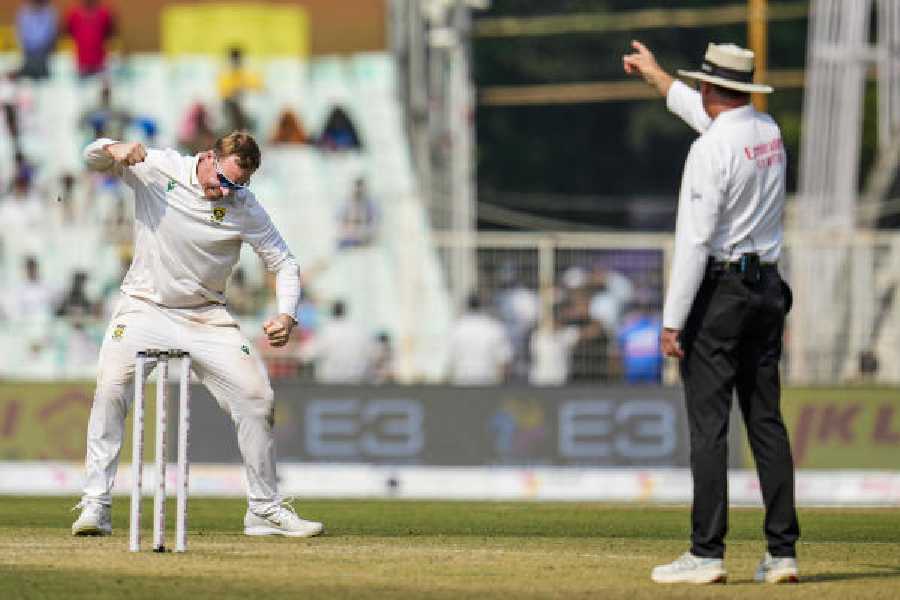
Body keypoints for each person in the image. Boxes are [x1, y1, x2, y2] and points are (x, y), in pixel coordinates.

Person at [70, 131, 324, 539]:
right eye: (221, 180)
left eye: (236, 186)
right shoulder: (160, 168)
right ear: (208, 157)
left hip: (206, 316)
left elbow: (285, 264)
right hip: (144, 306)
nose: (223, 191)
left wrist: (286, 315)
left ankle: (263, 508)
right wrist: (111, 148)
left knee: (258, 399)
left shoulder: (244, 206)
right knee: (112, 387)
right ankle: (96, 503)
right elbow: (91, 157)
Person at [624, 41, 799, 584]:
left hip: (722, 291)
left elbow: (695, 241)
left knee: (709, 426)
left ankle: (706, 553)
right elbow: (705, 113)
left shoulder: (708, 151)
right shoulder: (766, 133)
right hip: (768, 286)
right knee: (766, 422)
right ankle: (782, 553)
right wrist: (656, 77)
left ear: (707, 86)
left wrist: (672, 320)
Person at [447, 293, 512, 386]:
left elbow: (450, 357)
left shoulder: (456, 328)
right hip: (487, 380)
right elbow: (504, 359)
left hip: (461, 379)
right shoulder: (494, 327)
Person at [306, 300, 372, 384]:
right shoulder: (359, 329)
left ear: (332, 311)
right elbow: (372, 353)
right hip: (357, 381)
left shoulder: (326, 330)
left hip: (331, 382)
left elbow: (307, 354)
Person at [64, 0, 115, 78]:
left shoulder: (104, 14)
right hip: (80, 65)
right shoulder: (73, 15)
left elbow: (110, 34)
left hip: (100, 65)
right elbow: (69, 33)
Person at [15, 0, 58, 80]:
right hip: (29, 55)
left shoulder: (50, 12)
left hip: (44, 56)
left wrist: (43, 49)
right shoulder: (24, 12)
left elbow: (51, 34)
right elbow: (21, 34)